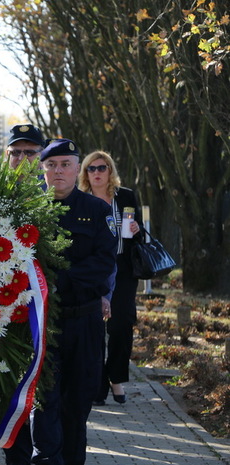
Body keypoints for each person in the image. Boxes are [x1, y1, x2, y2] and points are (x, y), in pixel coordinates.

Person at [7, 139, 117, 465]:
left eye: (65, 164)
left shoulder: (96, 211)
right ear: (42, 169)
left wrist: (58, 281)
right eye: (51, 165)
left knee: (78, 403)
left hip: (84, 321)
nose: (58, 171)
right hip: (43, 323)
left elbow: (105, 262)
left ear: (76, 168)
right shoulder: (28, 211)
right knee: (45, 400)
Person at [79, 150, 142, 406]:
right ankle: (97, 384)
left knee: (120, 326)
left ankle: (115, 376)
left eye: (101, 168)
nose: (96, 173)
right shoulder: (81, 199)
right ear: (85, 173)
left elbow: (136, 238)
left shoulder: (125, 196)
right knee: (94, 327)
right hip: (94, 269)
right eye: (91, 169)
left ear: (110, 171)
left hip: (123, 269)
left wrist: (137, 230)